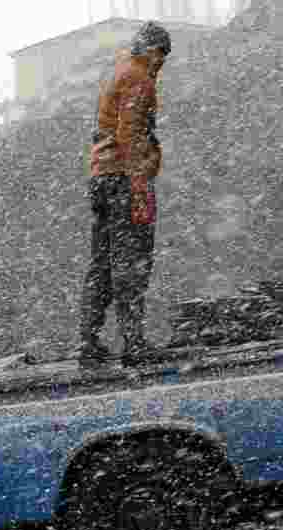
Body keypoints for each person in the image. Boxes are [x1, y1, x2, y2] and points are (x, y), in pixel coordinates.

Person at [78, 21, 171, 368]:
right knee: (130, 261)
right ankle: (133, 343)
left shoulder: (120, 71)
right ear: (151, 50)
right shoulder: (138, 78)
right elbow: (130, 133)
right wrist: (138, 185)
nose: (161, 64)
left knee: (101, 262)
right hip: (123, 178)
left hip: (102, 176)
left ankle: (89, 342)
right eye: (160, 55)